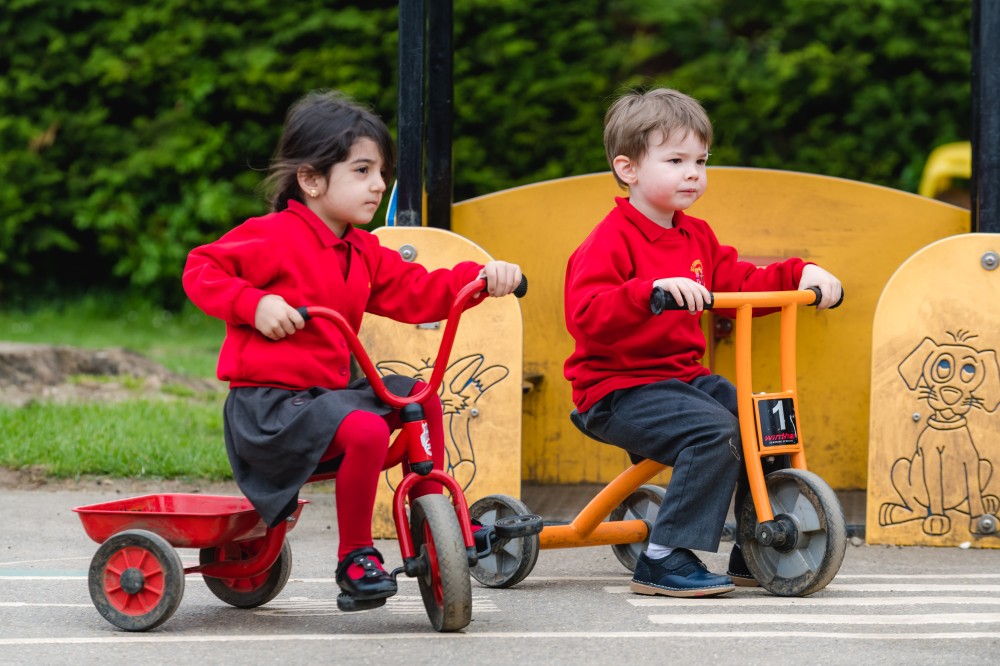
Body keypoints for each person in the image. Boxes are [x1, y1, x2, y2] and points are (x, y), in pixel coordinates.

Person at [183, 89, 522, 610]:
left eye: (380, 171)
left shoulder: (362, 250)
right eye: (362, 171)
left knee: (418, 398)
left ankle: (440, 519)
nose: (378, 184)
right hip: (269, 410)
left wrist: (481, 276)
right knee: (365, 428)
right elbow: (201, 269)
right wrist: (253, 305)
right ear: (312, 179)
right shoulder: (273, 237)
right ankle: (355, 556)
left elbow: (419, 291)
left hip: (325, 400)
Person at [563, 87, 842, 598]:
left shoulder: (697, 237)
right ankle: (663, 556)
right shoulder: (609, 240)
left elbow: (738, 280)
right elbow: (586, 315)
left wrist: (804, 272)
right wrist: (648, 292)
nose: (693, 172)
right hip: (616, 388)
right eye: (675, 160)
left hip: (681, 380)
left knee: (763, 422)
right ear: (628, 169)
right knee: (715, 432)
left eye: (700, 160)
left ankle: (755, 540)